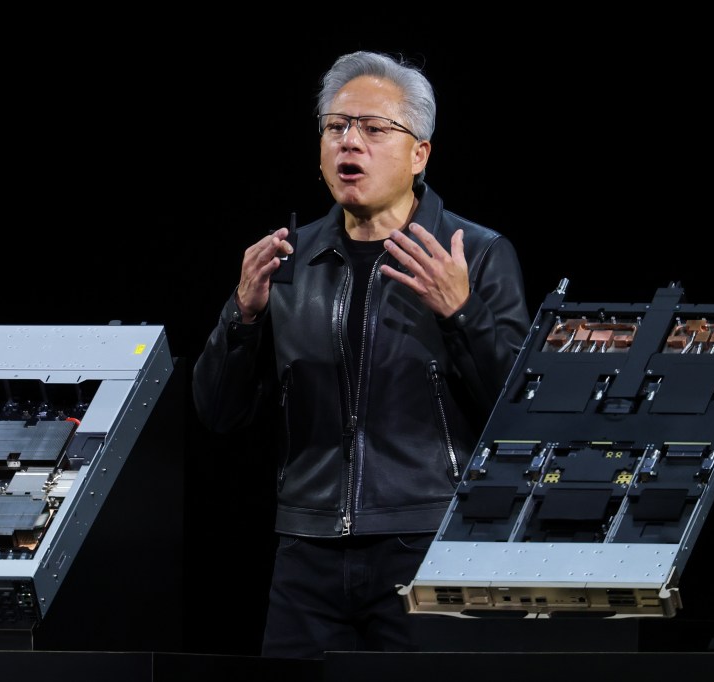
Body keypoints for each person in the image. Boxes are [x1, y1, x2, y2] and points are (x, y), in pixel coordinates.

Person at [192, 50, 531, 659]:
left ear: (420, 152)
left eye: (375, 129)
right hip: (308, 552)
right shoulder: (288, 260)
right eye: (336, 127)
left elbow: (520, 410)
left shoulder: (474, 254)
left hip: (427, 544)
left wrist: (462, 313)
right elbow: (218, 411)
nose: (352, 142)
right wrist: (241, 317)